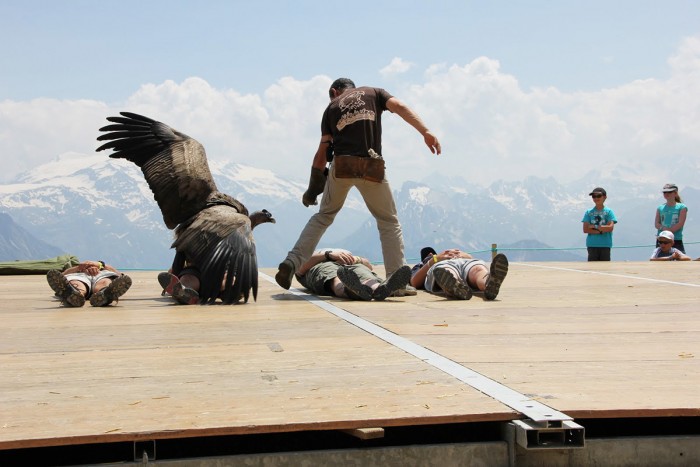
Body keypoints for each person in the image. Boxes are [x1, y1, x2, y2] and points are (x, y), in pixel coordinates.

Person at [275, 78, 441, 297]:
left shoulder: (331, 108)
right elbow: (399, 107)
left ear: (334, 92)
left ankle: (292, 261)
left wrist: (312, 189)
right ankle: (396, 281)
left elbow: (321, 154)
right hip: (371, 165)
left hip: (342, 165)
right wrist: (426, 132)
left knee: (324, 216)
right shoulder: (375, 92)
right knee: (388, 221)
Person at [296, 248, 412, 301]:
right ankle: (348, 290)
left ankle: (380, 289)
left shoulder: (347, 254)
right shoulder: (314, 253)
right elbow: (300, 269)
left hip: (351, 263)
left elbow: (369, 266)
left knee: (365, 272)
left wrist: (356, 259)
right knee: (334, 276)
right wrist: (328, 255)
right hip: (321, 263)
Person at [410, 247, 509, 300]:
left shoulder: (459, 256)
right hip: (442, 264)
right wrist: (434, 260)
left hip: (464, 261)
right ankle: (456, 287)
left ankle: (488, 284)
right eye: (429, 255)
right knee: (447, 271)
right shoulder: (422, 264)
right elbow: (414, 281)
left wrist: (466, 256)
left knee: (478, 269)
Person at [46, 260, 132, 307]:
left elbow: (119, 275)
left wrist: (99, 265)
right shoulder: (75, 270)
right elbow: (63, 275)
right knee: (77, 283)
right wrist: (78, 268)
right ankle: (74, 293)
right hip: (80, 275)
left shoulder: (104, 268)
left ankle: (105, 293)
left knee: (105, 282)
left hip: (101, 275)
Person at [581, 187, 618, 261]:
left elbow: (610, 228)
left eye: (598, 196)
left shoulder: (609, 212)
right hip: (592, 245)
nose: (596, 198)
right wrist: (601, 230)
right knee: (592, 269)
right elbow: (585, 229)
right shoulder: (588, 212)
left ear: (605, 197)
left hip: (605, 245)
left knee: (605, 268)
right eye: (594, 196)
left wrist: (594, 226)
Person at [655, 183, 688, 253]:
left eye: (669, 192)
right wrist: (664, 229)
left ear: (675, 193)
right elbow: (656, 224)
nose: (667, 194)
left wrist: (669, 231)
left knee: (681, 261)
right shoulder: (660, 208)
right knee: (659, 261)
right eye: (665, 192)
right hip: (662, 241)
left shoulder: (682, 207)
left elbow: (680, 223)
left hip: (676, 238)